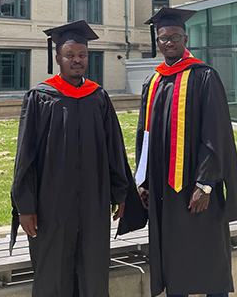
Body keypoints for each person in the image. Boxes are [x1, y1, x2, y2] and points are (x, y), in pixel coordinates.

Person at [9, 20, 140, 297]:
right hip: (52, 204)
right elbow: (25, 156)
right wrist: (25, 206)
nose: (76, 60)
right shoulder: (40, 97)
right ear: (58, 58)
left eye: (82, 55)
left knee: (92, 268)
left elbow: (114, 149)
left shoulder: (99, 96)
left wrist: (120, 192)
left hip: (94, 202)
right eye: (70, 55)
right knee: (53, 271)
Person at [126, 7, 237, 297]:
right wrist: (142, 182)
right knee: (173, 260)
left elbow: (216, 134)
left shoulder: (204, 77)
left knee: (209, 258)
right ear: (157, 41)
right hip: (164, 191)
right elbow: (144, 135)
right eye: (163, 38)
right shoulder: (154, 81)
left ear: (185, 37)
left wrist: (205, 185)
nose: (169, 42)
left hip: (196, 188)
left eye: (175, 37)